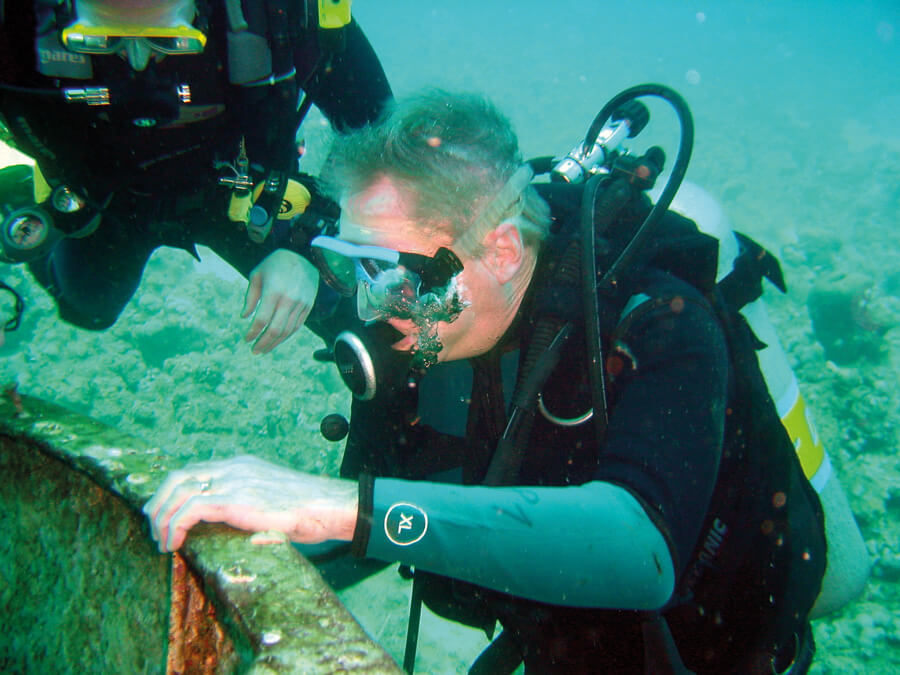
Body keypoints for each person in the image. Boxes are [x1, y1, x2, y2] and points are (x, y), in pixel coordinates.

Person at [144, 90, 831, 674]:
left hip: (714, 647)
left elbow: (640, 551)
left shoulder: (659, 324)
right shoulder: (425, 334)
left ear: (501, 250)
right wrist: (233, 538)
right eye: (350, 268)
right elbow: (372, 512)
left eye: (392, 274)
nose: (372, 308)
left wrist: (338, 506)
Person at [0, 0, 391, 353]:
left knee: (358, 324)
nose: (137, 63)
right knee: (87, 306)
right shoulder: (14, 21)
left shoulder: (282, 12)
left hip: (245, 197)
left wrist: (310, 244)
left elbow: (381, 131)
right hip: (103, 194)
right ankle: (15, 192)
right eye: (101, 41)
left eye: (169, 41)